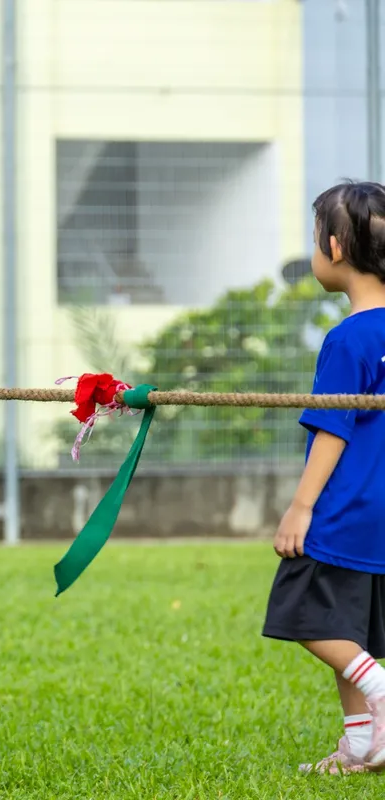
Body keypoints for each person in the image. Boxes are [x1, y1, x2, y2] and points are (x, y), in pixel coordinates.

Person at [262, 180, 385, 774]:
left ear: (333, 248)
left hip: (343, 510)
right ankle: (364, 743)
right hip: (380, 515)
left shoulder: (348, 339)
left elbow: (333, 430)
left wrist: (301, 507)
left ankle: (382, 697)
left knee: (308, 617)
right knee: (350, 630)